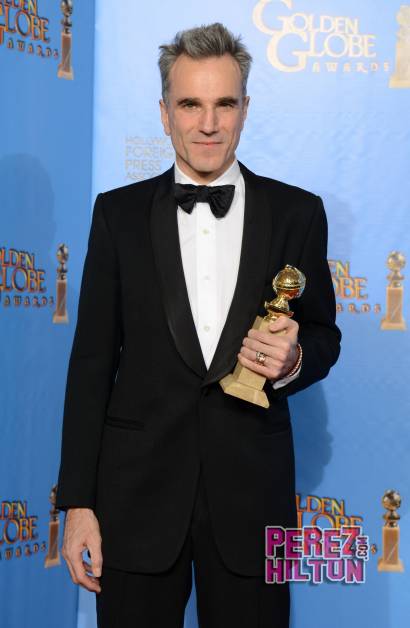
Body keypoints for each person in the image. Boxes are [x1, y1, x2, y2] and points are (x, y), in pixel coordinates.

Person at [56, 22, 341, 628]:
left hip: (253, 497)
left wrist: (293, 361)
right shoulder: (117, 214)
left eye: (224, 104)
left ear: (245, 109)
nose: (208, 124)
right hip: (136, 498)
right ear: (165, 113)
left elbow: (323, 335)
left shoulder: (298, 212)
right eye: (190, 104)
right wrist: (78, 503)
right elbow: (90, 364)